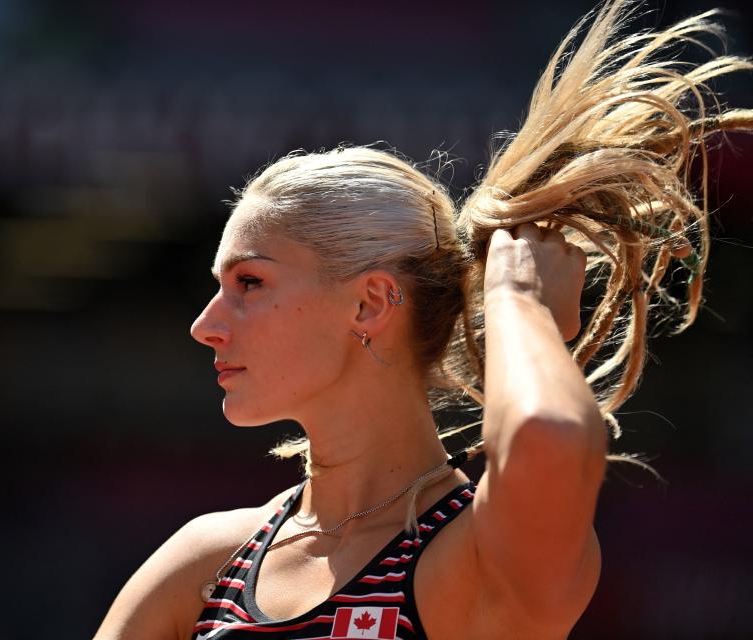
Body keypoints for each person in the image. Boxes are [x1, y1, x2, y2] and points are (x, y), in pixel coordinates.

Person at [95, 1, 752, 638]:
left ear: (369, 303)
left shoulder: (471, 556)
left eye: (249, 282)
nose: (205, 324)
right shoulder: (206, 564)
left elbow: (550, 435)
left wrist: (518, 299)